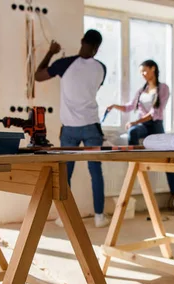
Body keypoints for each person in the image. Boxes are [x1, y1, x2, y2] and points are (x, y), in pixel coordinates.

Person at [35, 30, 110, 228]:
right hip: (92, 126)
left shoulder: (65, 64)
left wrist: (51, 52)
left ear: (82, 41)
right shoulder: (102, 68)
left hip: (69, 128)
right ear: (97, 48)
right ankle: (99, 216)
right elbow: (94, 87)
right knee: (95, 172)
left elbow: (38, 76)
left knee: (65, 173)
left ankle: (63, 216)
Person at [107, 59, 174, 216]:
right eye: (141, 72)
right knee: (133, 133)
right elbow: (129, 107)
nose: (143, 74)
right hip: (143, 126)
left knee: (168, 160)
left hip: (156, 125)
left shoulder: (163, 88)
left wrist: (135, 121)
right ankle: (135, 161)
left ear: (153, 69)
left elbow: (155, 113)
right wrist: (114, 106)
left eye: (144, 71)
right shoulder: (141, 91)